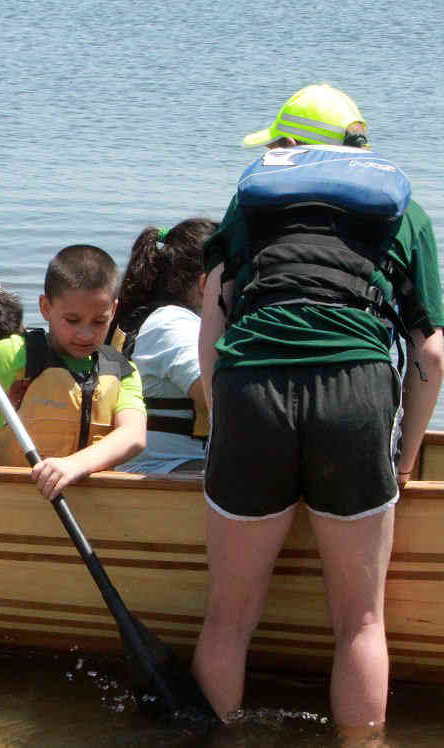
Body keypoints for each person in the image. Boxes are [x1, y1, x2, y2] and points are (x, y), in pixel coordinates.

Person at [192, 83, 444, 729]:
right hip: (356, 390)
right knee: (361, 620)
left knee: (227, 619)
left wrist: (226, 431)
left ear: (294, 145)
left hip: (254, 387)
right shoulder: (402, 210)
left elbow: (211, 325)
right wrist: (406, 458)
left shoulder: (252, 198)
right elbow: (433, 356)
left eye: (279, 141)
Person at [0, 244, 147, 497]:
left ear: (114, 311)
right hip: (10, 499)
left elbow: (134, 435)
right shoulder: (13, 355)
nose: (86, 334)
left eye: (99, 321)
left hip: (90, 506)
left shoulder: (121, 370)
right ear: (45, 307)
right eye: (72, 320)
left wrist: (74, 465)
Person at [112, 219, 218, 475]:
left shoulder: (166, 320)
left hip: (179, 465)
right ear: (206, 285)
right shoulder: (173, 326)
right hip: (162, 470)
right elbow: (223, 401)